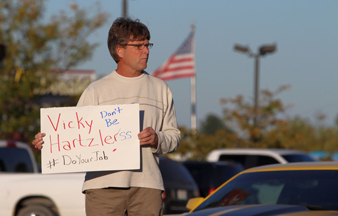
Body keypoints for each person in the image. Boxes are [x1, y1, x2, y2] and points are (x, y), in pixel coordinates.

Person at [32, 17, 181, 216]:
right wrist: (49, 143)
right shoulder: (96, 90)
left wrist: (157, 139)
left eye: (147, 44)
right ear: (119, 50)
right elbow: (73, 137)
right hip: (102, 187)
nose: (146, 50)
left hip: (147, 185)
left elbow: (174, 136)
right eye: (139, 46)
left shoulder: (161, 89)